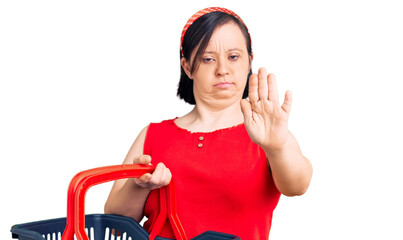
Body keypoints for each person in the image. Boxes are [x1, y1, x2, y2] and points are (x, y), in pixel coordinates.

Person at [104, 7, 312, 240]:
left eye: (233, 57)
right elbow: (116, 222)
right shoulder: (153, 135)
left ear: (249, 61)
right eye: (207, 59)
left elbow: (298, 185)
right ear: (188, 67)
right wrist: (139, 186)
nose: (222, 70)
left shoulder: (265, 131)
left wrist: (276, 147)